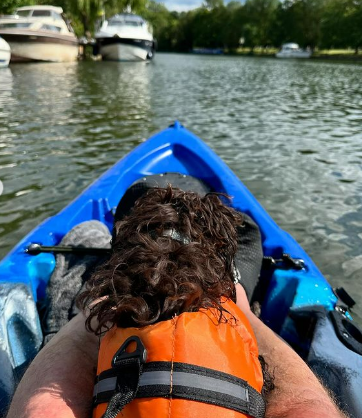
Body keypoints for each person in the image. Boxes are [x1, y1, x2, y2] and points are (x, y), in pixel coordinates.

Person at [7, 187, 348, 418]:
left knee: (89, 233)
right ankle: (235, 293)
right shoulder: (229, 305)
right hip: (227, 303)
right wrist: (237, 306)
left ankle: (114, 280)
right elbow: (306, 409)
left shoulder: (105, 308)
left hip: (112, 309)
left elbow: (44, 409)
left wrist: (102, 302)